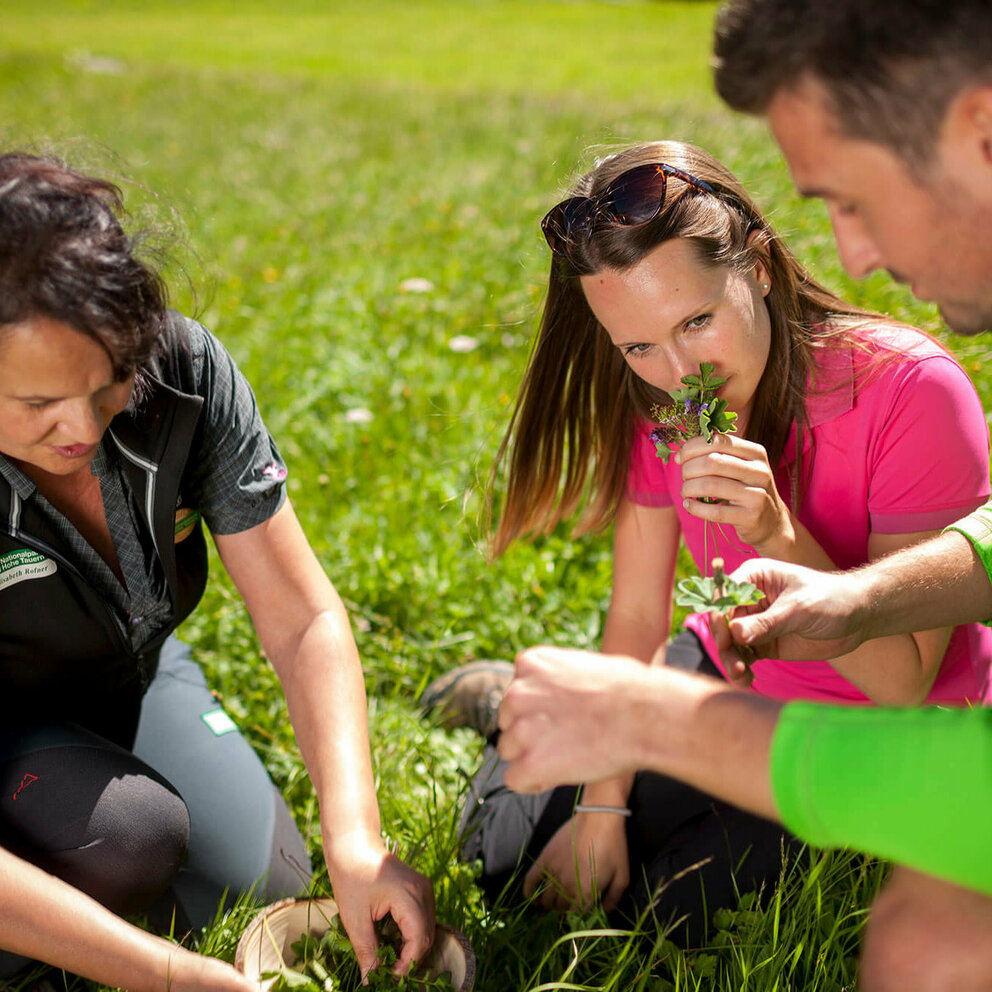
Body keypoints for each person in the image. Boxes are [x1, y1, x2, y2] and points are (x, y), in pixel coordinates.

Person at [497, 1, 992, 988]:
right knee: (523, 857)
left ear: (756, 268)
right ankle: (502, 715)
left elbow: (899, 683)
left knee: (671, 911)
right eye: (637, 346)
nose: (673, 364)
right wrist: (599, 801)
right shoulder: (665, 410)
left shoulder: (905, 388)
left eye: (694, 322)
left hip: (881, 723)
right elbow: (636, 610)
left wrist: (780, 532)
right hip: (732, 674)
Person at [0, 152, 434, 992]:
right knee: (134, 837)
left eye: (109, 383)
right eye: (37, 405)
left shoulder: (185, 373)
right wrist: (167, 976)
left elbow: (302, 620)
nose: (82, 426)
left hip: (130, 675)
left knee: (265, 881)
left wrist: (357, 838)